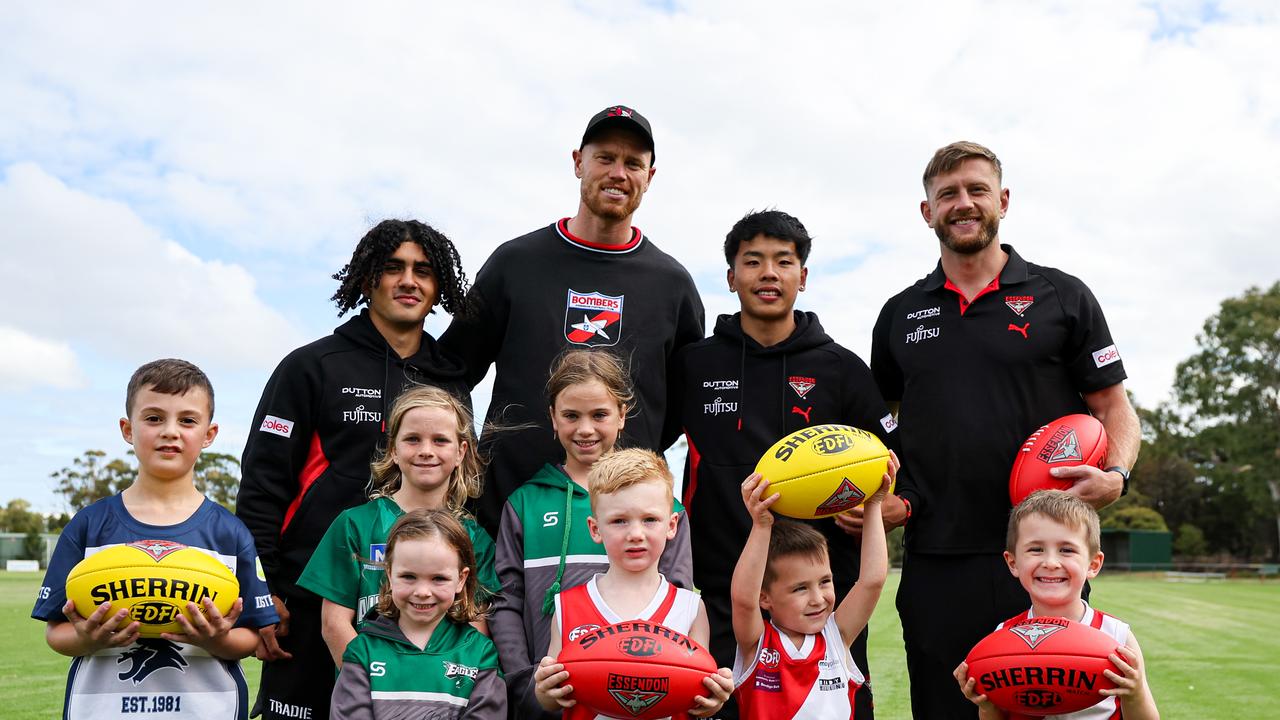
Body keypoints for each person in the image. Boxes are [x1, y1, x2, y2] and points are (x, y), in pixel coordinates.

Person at [871, 141, 1141, 718]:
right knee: (945, 708)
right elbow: (885, 424)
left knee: (1053, 712)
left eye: (976, 190)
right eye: (947, 194)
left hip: (1040, 555)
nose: (963, 203)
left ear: (1003, 201)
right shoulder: (898, 313)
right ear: (928, 212)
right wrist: (889, 496)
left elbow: (1113, 405)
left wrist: (1116, 472)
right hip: (937, 556)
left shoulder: (1062, 296)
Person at [237, 219, 473, 720]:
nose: (409, 280)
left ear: (438, 289)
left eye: (423, 271)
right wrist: (264, 589)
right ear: (368, 279)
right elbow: (263, 482)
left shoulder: (451, 378)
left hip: (421, 604)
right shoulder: (310, 366)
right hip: (308, 602)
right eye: (393, 268)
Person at [440, 104, 705, 536]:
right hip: (508, 513)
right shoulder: (516, 264)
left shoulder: (671, 285)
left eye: (633, 163)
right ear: (578, 162)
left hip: (624, 524)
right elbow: (453, 370)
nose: (618, 173)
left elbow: (680, 405)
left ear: (649, 177)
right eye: (605, 158)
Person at [676, 209, 899, 717]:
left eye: (784, 261)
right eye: (752, 262)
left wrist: (890, 504)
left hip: (824, 601)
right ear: (731, 278)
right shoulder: (695, 364)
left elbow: (892, 461)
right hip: (729, 598)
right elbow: (644, 445)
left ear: (804, 276)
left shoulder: (842, 368)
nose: (769, 273)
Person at [32, 359, 278, 720]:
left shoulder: (229, 533)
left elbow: (253, 639)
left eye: (187, 420)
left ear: (209, 434)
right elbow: (56, 632)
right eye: (153, 418)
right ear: (127, 428)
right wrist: (89, 639)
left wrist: (215, 639)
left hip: (207, 709)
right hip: (102, 709)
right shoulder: (89, 525)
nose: (170, 431)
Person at [492, 350, 693, 718]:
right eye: (571, 416)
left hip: (644, 696)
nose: (585, 429)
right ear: (553, 418)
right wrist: (526, 683)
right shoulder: (524, 504)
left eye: (599, 414)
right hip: (552, 695)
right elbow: (506, 601)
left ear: (621, 415)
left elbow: (680, 597)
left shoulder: (664, 507)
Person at [297, 385, 500, 665]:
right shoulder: (354, 524)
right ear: (393, 449)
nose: (426, 451)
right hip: (368, 695)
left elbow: (475, 629)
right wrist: (372, 687)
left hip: (443, 697)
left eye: (440, 440)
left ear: (460, 452)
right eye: (413, 439)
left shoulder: (475, 538)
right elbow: (334, 624)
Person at [532, 449, 733, 718]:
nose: (635, 534)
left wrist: (713, 700)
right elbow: (553, 699)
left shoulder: (691, 607)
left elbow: (699, 695)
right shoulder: (567, 605)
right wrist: (545, 692)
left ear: (672, 525)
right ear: (595, 529)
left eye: (650, 519)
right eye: (619, 521)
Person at [954, 490, 1160, 719]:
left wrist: (1135, 693)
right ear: (1013, 562)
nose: (1051, 562)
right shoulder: (1003, 637)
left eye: (1067, 550)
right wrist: (987, 705)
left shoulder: (1117, 636)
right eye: (1036, 549)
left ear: (1093, 564)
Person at [729, 459, 894, 719]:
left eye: (825, 581)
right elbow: (742, 600)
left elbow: (871, 580)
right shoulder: (757, 644)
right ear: (765, 598)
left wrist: (873, 504)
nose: (818, 599)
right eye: (800, 589)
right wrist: (761, 526)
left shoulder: (836, 636)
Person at [330, 509, 506, 719]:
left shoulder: (479, 653)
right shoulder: (362, 651)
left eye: (438, 578)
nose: (422, 592)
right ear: (389, 573)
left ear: (461, 579)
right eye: (409, 576)